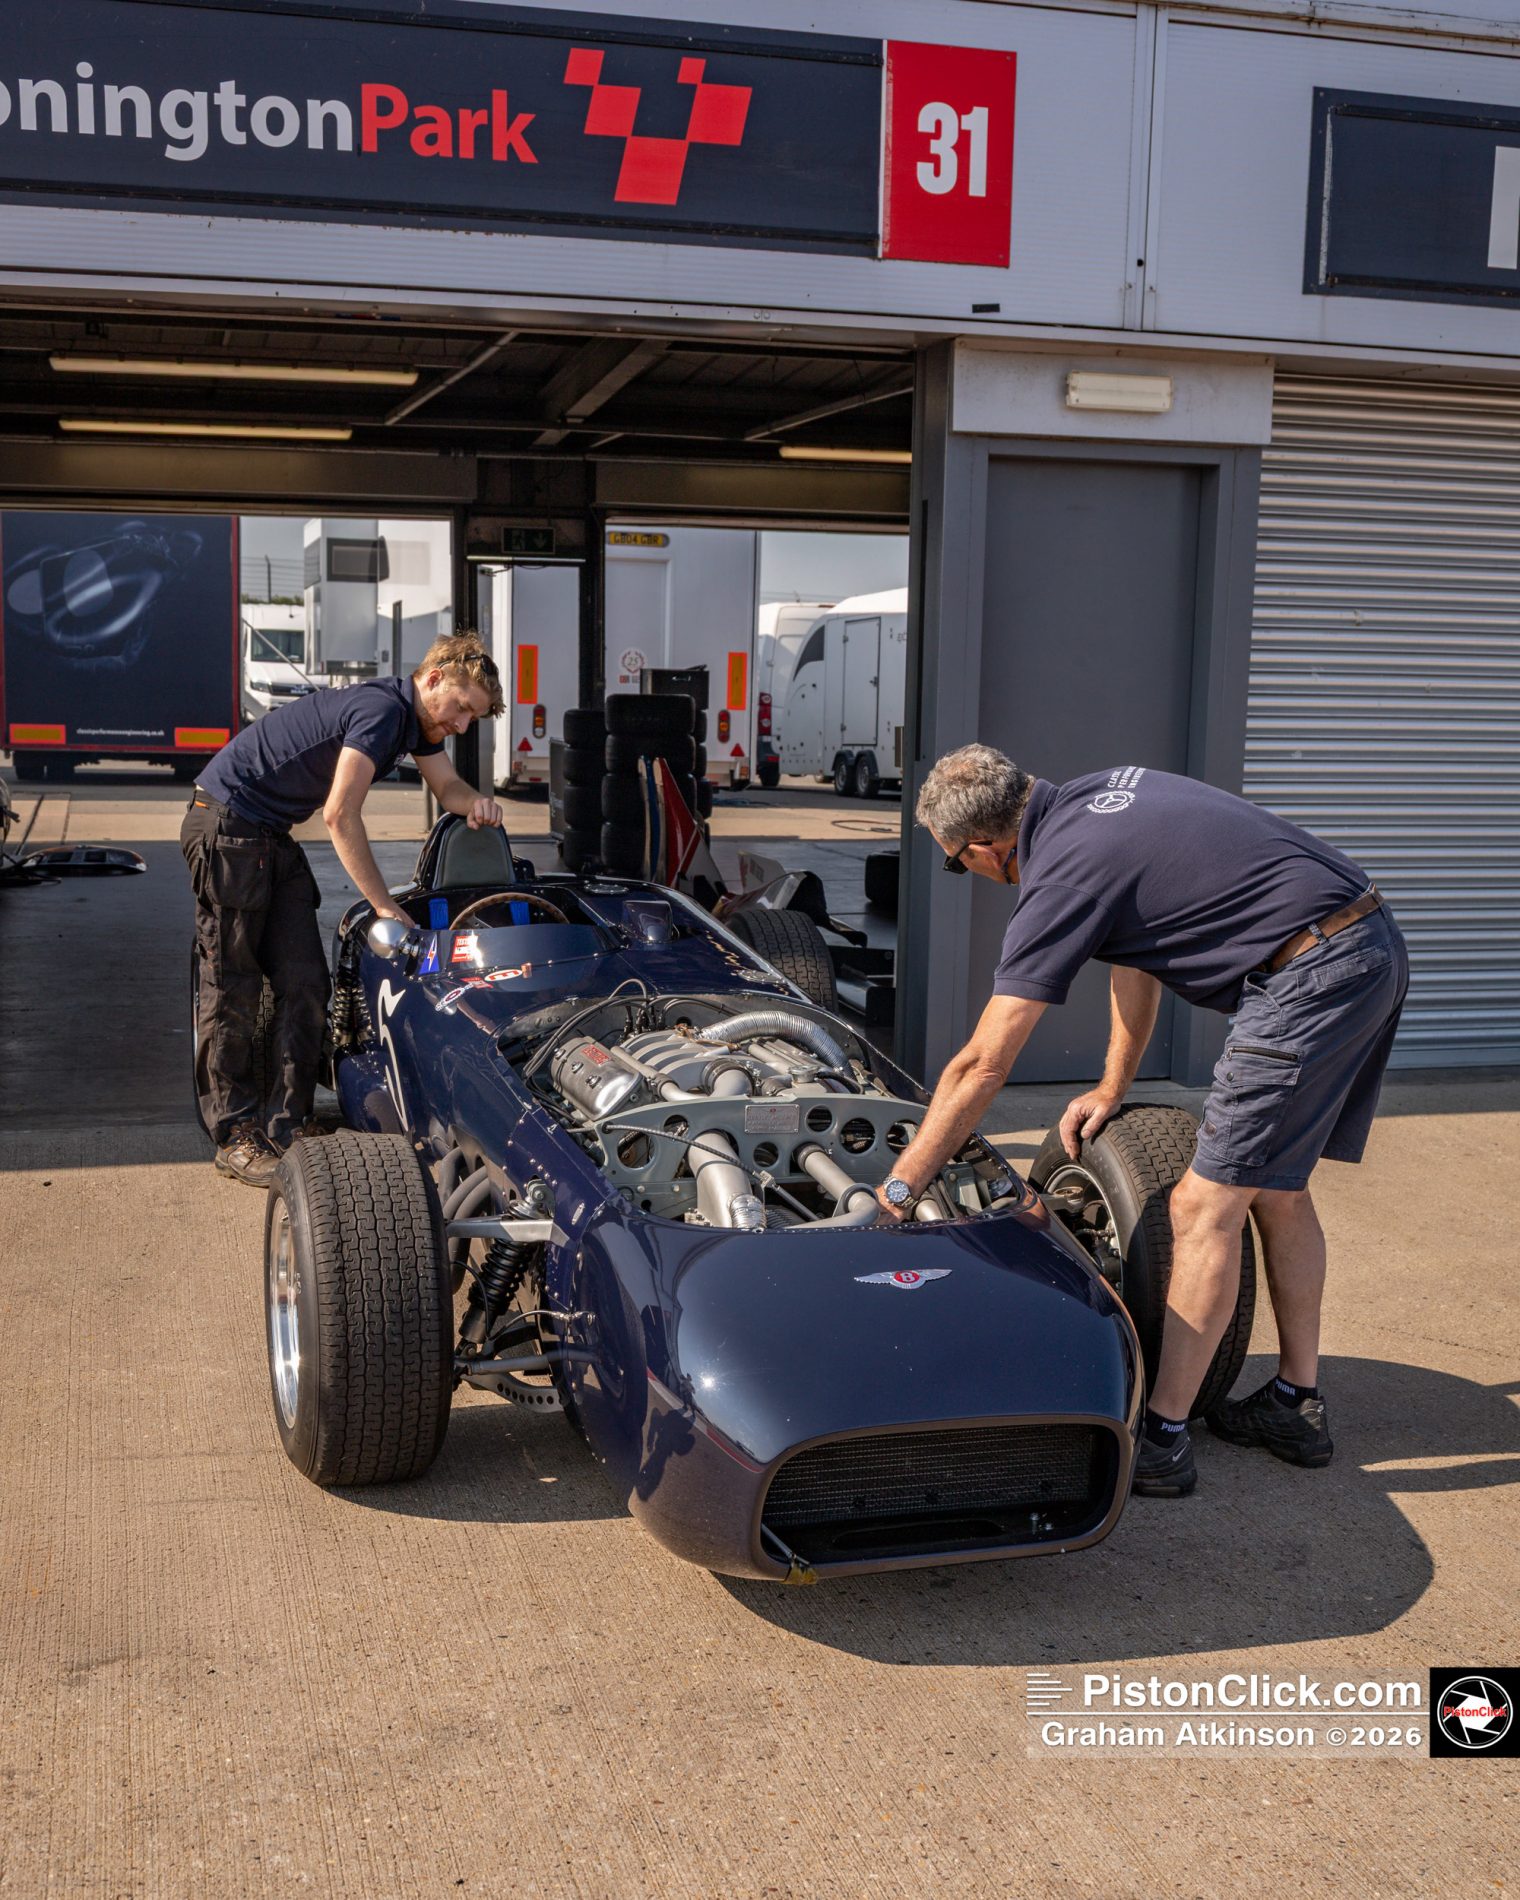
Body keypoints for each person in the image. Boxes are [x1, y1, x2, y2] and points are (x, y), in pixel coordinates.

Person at [875, 745, 1408, 1498]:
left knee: (1202, 1206)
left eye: (962, 865)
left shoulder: (1059, 872)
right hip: (1367, 945)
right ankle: (1295, 1405)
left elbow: (980, 1065)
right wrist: (1112, 1083)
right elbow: (1141, 953)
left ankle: (1161, 1440)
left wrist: (899, 1188)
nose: (978, 877)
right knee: (1277, 1189)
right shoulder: (1104, 794)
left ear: (989, 847)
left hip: (1310, 977)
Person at [182, 631, 505, 1186]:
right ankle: (234, 1133)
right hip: (228, 827)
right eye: (461, 708)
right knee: (231, 986)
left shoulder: (414, 723)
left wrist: (475, 802)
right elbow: (338, 813)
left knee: (306, 980)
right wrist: (383, 905)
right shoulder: (382, 711)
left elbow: (447, 785)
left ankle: (288, 1126)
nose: (461, 724)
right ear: (432, 679)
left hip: (268, 835)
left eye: (473, 717)